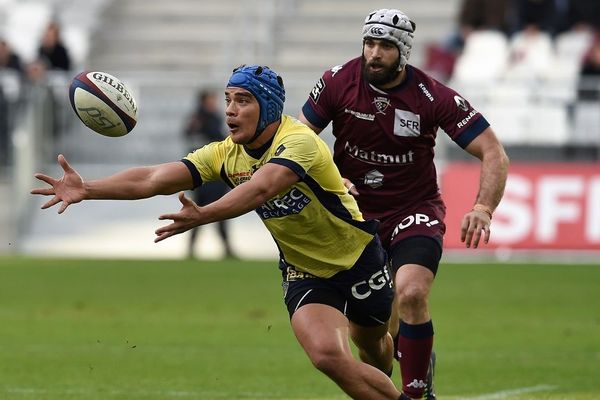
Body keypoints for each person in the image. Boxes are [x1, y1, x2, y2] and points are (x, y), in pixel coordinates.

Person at [32, 64, 406, 399]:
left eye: (243, 100)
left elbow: (262, 187)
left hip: (357, 257)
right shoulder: (223, 153)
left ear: (269, 107)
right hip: (304, 270)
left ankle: (399, 359)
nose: (230, 109)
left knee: (374, 348)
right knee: (327, 356)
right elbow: (152, 177)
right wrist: (88, 189)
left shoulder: (299, 141)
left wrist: (204, 214)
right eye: (228, 99)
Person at [299, 9, 509, 400]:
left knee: (411, 292)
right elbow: (300, 139)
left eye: (385, 46)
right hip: (356, 218)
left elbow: (493, 151)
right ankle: (402, 360)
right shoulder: (337, 80)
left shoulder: (432, 95)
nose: (374, 53)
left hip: (415, 209)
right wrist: (325, 172)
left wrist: (482, 207)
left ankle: (417, 394)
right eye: (369, 43)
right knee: (375, 344)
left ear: (404, 52)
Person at [183, 89, 235, 259]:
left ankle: (198, 249)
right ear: (205, 101)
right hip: (209, 171)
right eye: (212, 100)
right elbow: (217, 138)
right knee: (214, 210)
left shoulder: (201, 118)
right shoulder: (205, 118)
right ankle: (222, 248)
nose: (215, 103)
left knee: (207, 210)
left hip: (205, 173)